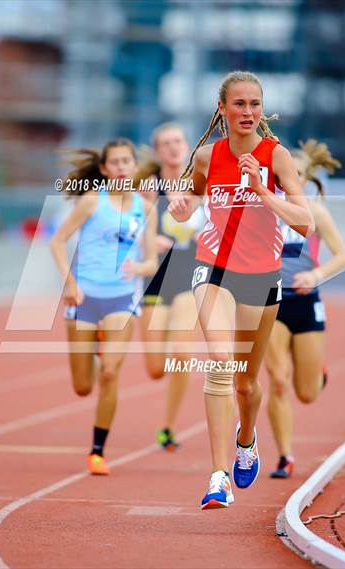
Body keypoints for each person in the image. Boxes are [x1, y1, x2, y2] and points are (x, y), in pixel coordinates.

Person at [168, 70, 314, 509]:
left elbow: (304, 222)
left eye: (254, 104)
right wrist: (181, 207)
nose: (247, 112)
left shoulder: (277, 156)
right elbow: (190, 198)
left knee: (248, 385)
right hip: (213, 268)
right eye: (239, 104)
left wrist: (261, 190)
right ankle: (217, 476)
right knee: (220, 363)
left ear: (261, 109)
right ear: (222, 109)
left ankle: (246, 439)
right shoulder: (208, 157)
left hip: (261, 276)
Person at [50, 139, 157, 474]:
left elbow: (152, 260)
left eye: (128, 161)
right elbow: (56, 241)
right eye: (117, 162)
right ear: (104, 169)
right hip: (84, 298)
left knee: (111, 373)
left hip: (122, 299)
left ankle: (97, 451)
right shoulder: (92, 202)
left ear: (134, 167)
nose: (123, 167)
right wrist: (70, 285)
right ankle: (97, 349)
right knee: (83, 387)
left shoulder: (145, 207)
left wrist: (139, 268)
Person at [264, 139, 345, 479]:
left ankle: (317, 373)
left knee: (306, 392)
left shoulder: (315, 211)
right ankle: (285, 456)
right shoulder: (264, 207)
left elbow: (341, 255)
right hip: (272, 301)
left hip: (306, 303)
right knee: (278, 381)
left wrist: (315, 274)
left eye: (294, 174)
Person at [135, 124, 205, 450]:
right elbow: (131, 227)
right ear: (158, 151)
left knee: (181, 353)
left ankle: (168, 426)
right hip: (155, 280)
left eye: (178, 141)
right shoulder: (150, 188)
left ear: (188, 145)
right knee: (154, 369)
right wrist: (150, 237)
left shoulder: (201, 186)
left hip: (189, 280)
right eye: (166, 143)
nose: (173, 147)